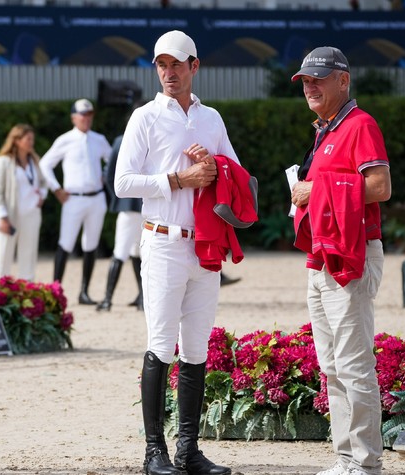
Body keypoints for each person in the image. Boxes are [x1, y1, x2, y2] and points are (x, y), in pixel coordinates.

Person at [115, 30, 238, 475]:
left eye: (176, 64)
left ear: (194, 67)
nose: (168, 72)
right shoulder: (144, 117)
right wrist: (177, 180)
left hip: (204, 245)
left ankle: (188, 450)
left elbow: (237, 176)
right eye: (161, 65)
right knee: (161, 346)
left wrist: (215, 165)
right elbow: (122, 183)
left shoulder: (212, 118)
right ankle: (154, 453)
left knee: (198, 350)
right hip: (163, 241)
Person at [289, 46, 391, 475]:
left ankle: (366, 465)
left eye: (318, 78)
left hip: (351, 255)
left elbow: (380, 186)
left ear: (343, 81)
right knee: (331, 367)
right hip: (323, 257)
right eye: (306, 80)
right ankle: (346, 459)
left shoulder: (361, 124)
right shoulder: (326, 130)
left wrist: (317, 190)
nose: (310, 86)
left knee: (352, 366)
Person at [39, 98, 112, 304]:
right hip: (74, 198)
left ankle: (84, 291)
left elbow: (113, 160)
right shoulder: (65, 139)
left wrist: (106, 175)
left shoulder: (99, 139)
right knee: (66, 243)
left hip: (96, 197)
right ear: (73, 117)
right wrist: (56, 189)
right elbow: (45, 164)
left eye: (89, 114)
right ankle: (55, 291)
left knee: (91, 244)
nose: (86, 118)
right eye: (82, 115)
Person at [0, 124, 48, 281]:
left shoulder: (34, 161)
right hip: (8, 218)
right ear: (16, 140)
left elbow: (43, 182)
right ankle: (2, 297)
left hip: (31, 216)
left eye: (32, 139)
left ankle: (28, 295)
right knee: (3, 261)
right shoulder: (3, 162)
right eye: (28, 139)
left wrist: (42, 196)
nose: (31, 142)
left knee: (28, 258)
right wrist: (3, 218)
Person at [96, 124, 144, 312]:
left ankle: (108, 299)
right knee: (138, 251)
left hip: (128, 204)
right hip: (149, 204)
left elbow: (109, 175)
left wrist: (118, 197)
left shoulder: (120, 140)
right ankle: (142, 298)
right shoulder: (156, 137)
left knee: (121, 251)